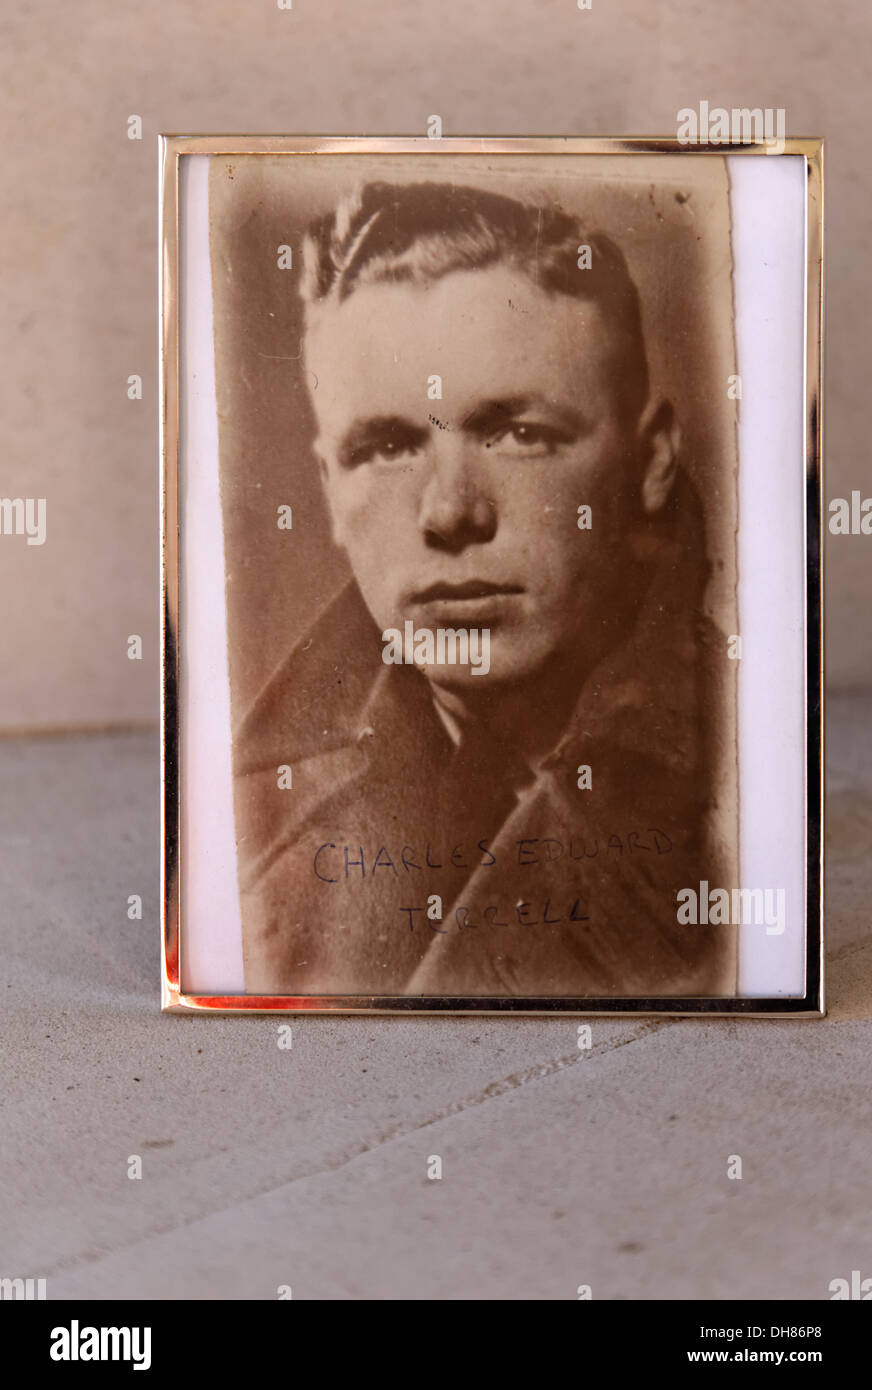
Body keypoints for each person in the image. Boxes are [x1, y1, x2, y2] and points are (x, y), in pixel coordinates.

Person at [232, 180, 735, 998]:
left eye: (518, 434)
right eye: (387, 448)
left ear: (650, 463)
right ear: (328, 491)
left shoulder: (751, 784)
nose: (449, 512)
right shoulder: (243, 827)